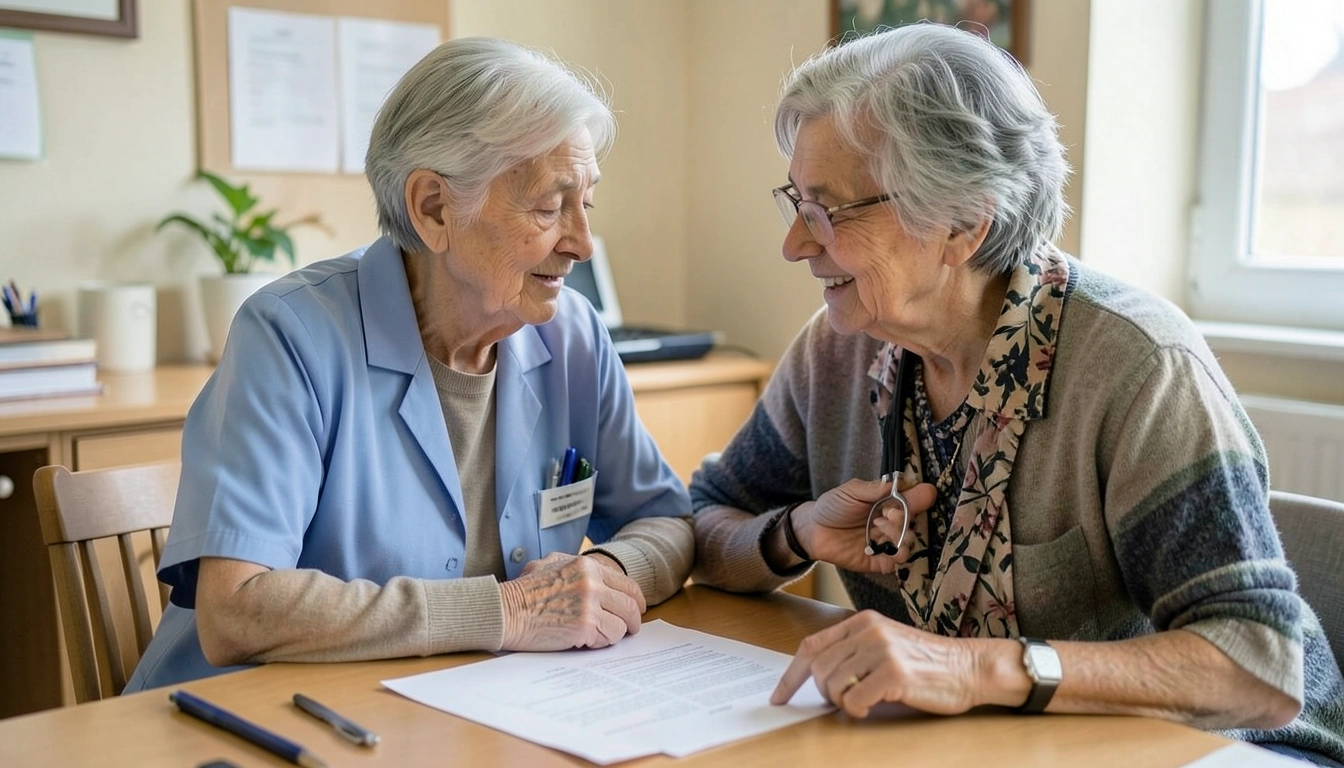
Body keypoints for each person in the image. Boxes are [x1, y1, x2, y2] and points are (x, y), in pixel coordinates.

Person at [689, 24, 1344, 765]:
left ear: (964, 223)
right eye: (797, 204)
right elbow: (707, 520)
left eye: (829, 211)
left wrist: (976, 668)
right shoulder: (838, 351)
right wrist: (798, 532)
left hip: (1224, 750)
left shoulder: (1137, 367)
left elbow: (1260, 665)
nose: (796, 245)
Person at [127, 37, 694, 691]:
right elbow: (236, 610)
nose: (583, 243)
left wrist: (612, 577)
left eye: (585, 203)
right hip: (249, 728)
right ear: (432, 207)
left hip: (465, 717)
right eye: (548, 206)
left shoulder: (575, 338)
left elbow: (670, 522)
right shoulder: (289, 335)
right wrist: (503, 612)